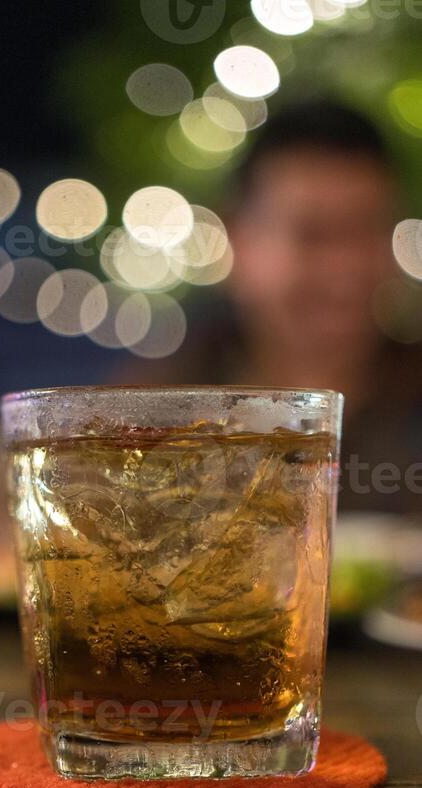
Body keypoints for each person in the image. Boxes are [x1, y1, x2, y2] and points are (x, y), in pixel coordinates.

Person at [128, 99, 422, 513]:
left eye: (366, 230)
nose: (346, 266)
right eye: (312, 234)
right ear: (239, 241)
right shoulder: (156, 421)